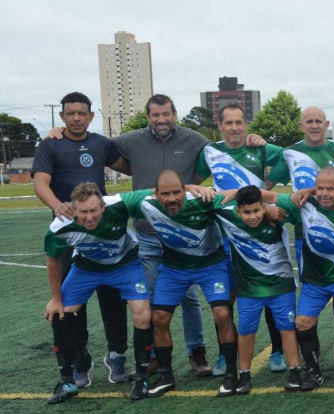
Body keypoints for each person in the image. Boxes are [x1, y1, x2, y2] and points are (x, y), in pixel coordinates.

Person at [44, 94, 266, 376]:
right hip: (148, 234)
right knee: (149, 300)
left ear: (175, 114)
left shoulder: (195, 139)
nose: (161, 120)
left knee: (189, 298)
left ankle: (196, 353)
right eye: (155, 115)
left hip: (184, 233)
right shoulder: (130, 139)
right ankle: (153, 356)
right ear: (148, 117)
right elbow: (94, 143)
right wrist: (60, 134)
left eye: (166, 114)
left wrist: (252, 138)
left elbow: (226, 148)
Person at [32, 92, 131, 386]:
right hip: (69, 231)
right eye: (71, 113)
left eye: (82, 113)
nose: (76, 118)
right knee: (71, 298)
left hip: (99, 227)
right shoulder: (50, 144)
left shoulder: (101, 144)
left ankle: (116, 355)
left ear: (90, 116)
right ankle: (79, 358)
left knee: (113, 295)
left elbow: (131, 165)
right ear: (62, 116)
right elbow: (40, 182)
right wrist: (56, 206)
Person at [267, 106, 334, 372]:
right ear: (301, 125)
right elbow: (268, 183)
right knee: (317, 284)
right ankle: (311, 356)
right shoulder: (290, 152)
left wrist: (315, 188)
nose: (314, 126)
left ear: (327, 125)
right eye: (309, 121)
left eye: (318, 121)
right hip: (307, 231)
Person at [117, 170, 237, 397]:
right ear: (155, 194)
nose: (171, 198)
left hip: (210, 266)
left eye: (176, 192)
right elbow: (106, 204)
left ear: (185, 190)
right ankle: (166, 376)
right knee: (159, 318)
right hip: (174, 269)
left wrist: (269, 211)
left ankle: (231, 373)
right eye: (165, 193)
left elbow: (241, 196)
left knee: (222, 313)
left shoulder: (203, 199)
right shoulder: (144, 203)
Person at [193, 103, 288, 376]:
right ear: (220, 126)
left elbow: (289, 156)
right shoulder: (210, 151)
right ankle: (226, 355)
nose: (234, 128)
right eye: (228, 123)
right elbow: (193, 181)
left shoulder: (260, 148)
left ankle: (278, 350)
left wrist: (265, 192)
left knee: (271, 290)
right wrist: (198, 188)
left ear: (246, 125)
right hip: (226, 233)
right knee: (226, 297)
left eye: (239, 123)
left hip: (262, 232)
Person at [264, 167, 334, 392]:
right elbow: (269, 196)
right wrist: (266, 208)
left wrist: (311, 188)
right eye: (320, 188)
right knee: (302, 323)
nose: (323, 193)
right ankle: (314, 373)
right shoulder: (305, 206)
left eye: (330, 189)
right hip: (315, 281)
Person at [43, 183, 153, 403]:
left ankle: (141, 378)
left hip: (125, 265)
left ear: (103, 206)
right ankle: (67, 380)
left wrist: (191, 188)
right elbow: (53, 261)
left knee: (143, 313)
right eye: (83, 212)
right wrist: (56, 299)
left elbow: (158, 192)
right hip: (86, 269)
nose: (90, 217)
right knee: (60, 313)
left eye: (94, 210)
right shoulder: (60, 226)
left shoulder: (120, 204)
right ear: (74, 210)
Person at [212, 185, 300, 397]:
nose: (252, 217)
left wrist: (270, 205)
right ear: (238, 210)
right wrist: (232, 193)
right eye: (247, 212)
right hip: (249, 288)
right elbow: (205, 197)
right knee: (246, 330)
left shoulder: (277, 215)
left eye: (257, 211)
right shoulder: (227, 216)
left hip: (281, 285)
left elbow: (294, 201)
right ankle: (244, 374)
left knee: (287, 327)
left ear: (262, 207)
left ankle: (295, 371)